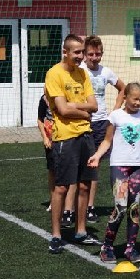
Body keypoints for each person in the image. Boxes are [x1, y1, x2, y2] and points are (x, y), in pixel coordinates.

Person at [87, 82, 140, 264]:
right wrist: (97, 156)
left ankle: (130, 248)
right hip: (119, 167)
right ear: (125, 97)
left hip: (138, 167)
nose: (138, 103)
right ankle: (107, 247)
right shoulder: (116, 116)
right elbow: (107, 141)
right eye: (135, 99)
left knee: (133, 208)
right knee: (120, 207)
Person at [44, 33, 99, 254]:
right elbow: (62, 110)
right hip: (65, 137)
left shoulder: (83, 73)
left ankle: (81, 231)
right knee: (61, 187)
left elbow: (94, 105)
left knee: (84, 185)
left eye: (82, 52)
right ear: (65, 52)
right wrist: (83, 112)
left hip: (86, 135)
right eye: (77, 52)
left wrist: (74, 106)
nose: (81, 56)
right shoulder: (54, 74)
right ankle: (56, 235)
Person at [80, 35, 126, 225]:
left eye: (98, 54)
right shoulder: (79, 70)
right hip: (81, 123)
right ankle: (71, 207)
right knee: (79, 166)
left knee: (94, 166)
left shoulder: (105, 72)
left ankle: (90, 207)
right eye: (91, 54)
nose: (94, 58)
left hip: (100, 124)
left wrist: (115, 110)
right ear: (84, 54)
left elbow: (123, 88)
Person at [37, 94, 55, 212]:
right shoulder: (44, 99)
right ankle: (53, 201)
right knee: (53, 170)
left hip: (67, 138)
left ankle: (69, 204)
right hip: (51, 139)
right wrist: (45, 138)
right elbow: (40, 119)